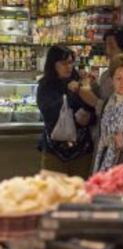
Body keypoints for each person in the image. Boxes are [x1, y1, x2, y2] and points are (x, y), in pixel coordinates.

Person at [37, 46, 95, 178]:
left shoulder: (80, 83)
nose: (68, 67)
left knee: (80, 194)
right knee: (54, 194)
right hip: (54, 153)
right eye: (63, 63)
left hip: (82, 151)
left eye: (70, 62)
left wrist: (88, 116)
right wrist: (70, 93)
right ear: (53, 65)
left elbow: (93, 111)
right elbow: (49, 113)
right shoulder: (45, 86)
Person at [78, 25, 123, 116]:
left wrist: (95, 102)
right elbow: (105, 96)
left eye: (112, 47)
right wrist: (93, 85)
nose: (107, 51)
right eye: (106, 46)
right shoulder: (106, 74)